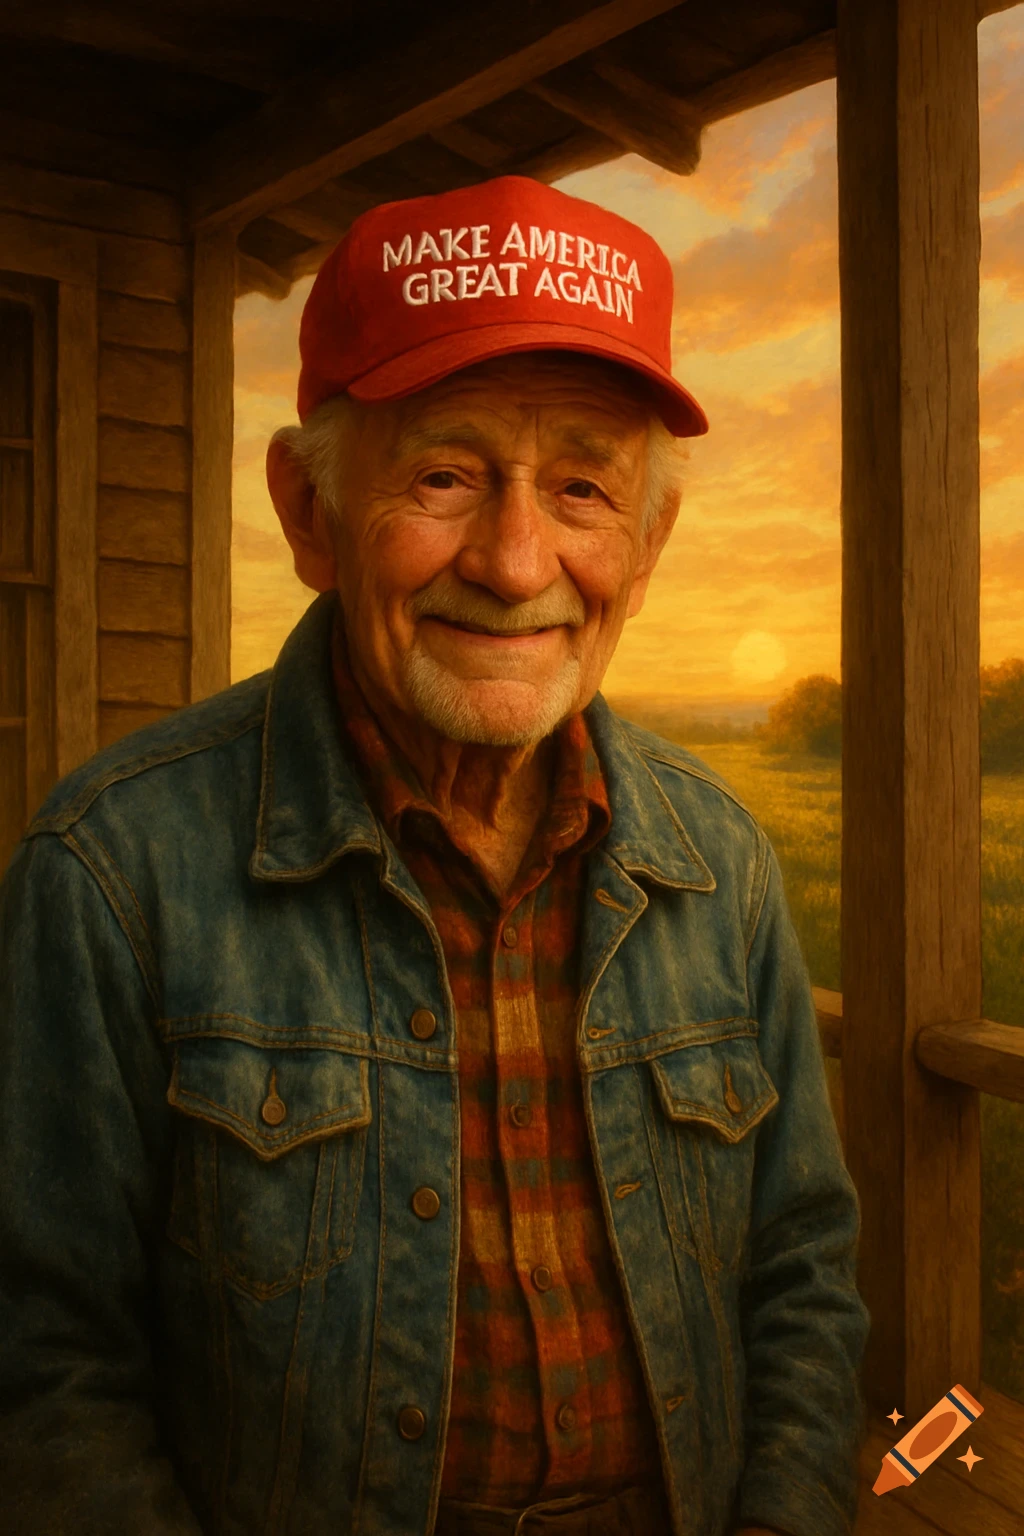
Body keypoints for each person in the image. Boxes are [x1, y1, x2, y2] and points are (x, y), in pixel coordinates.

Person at [0, 175, 868, 1536]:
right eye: (447, 476)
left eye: (583, 486)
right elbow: (41, 1371)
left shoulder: (725, 865)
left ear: (646, 546)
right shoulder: (113, 871)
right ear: (308, 511)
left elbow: (804, 1271)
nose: (519, 561)